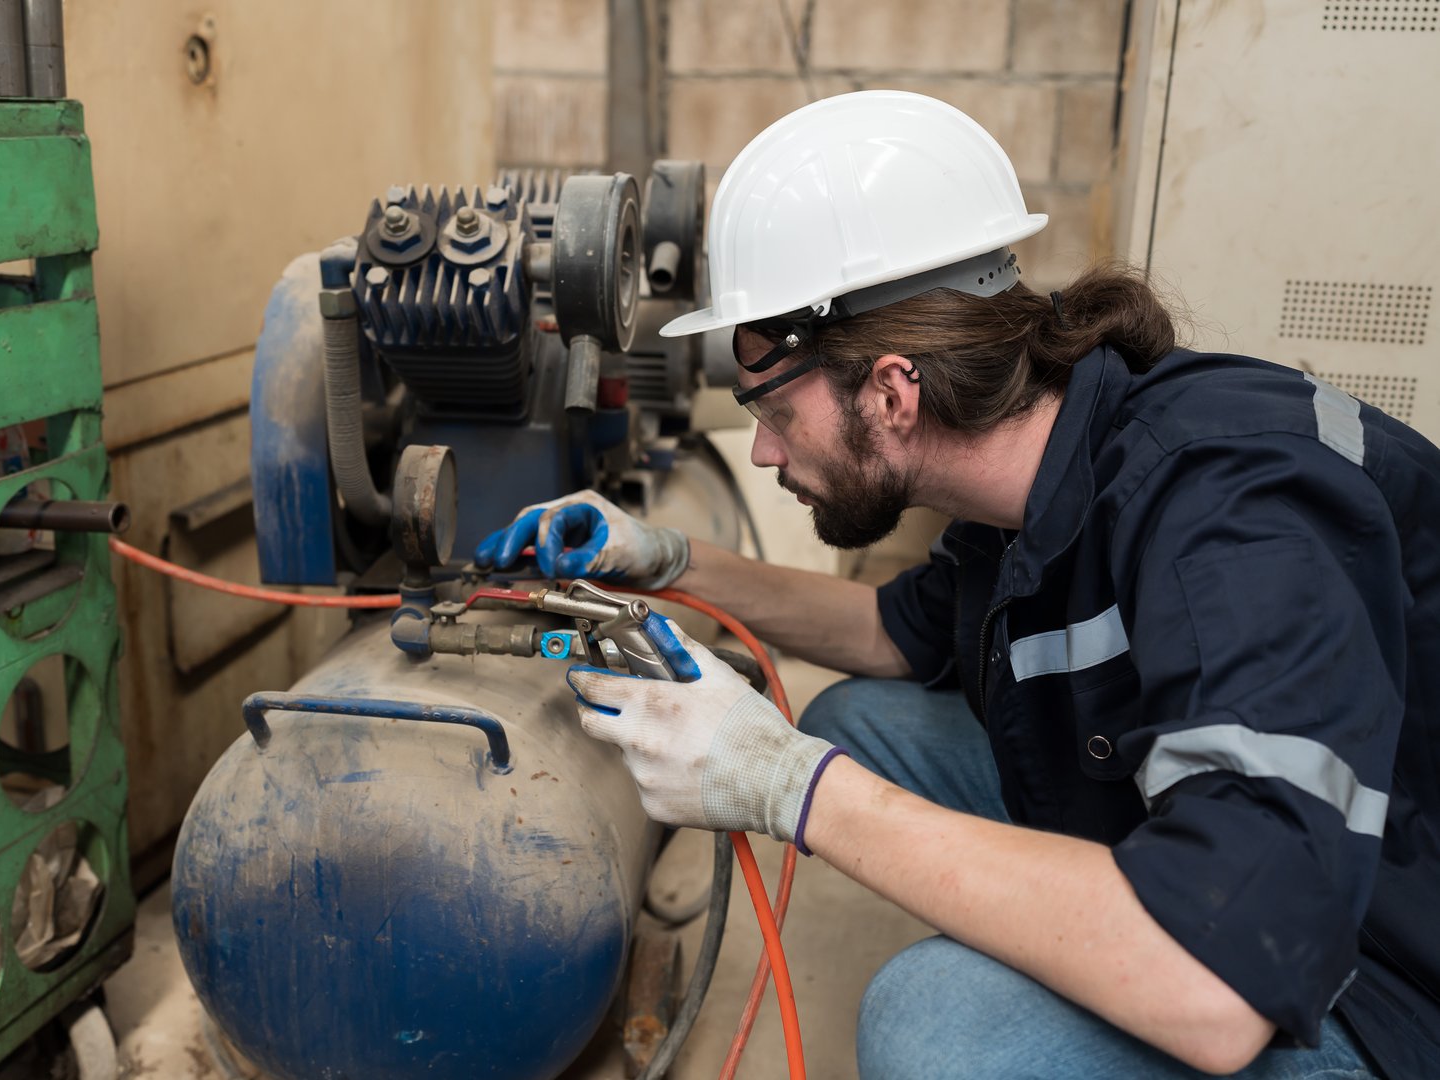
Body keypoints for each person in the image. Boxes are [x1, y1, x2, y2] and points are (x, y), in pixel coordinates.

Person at [476, 91, 1439, 1079]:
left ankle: (1087, 959)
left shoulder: (1231, 520)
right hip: (1218, 839)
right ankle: (1077, 931)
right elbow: (891, 632)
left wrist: (791, 787)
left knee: (938, 1022)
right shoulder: (1036, 451)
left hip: (1377, 970)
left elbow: (1223, 981)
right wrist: (673, 559)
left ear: (892, 391)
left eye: (774, 411)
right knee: (856, 723)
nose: (763, 452)